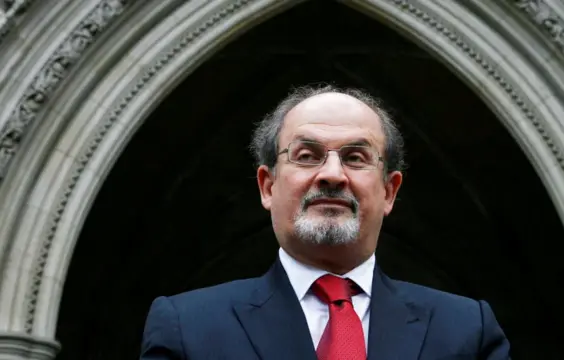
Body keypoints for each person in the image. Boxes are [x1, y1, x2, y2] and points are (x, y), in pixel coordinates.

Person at [139, 84, 511, 360]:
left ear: (390, 191)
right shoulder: (187, 328)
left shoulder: (466, 330)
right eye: (306, 155)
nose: (332, 174)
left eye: (355, 157)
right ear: (267, 186)